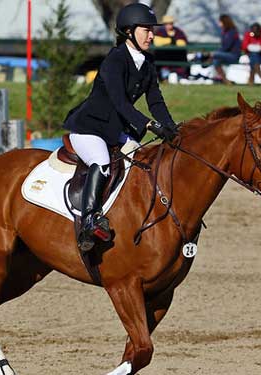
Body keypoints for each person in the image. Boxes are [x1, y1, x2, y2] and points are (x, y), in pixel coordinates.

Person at [62, 2, 179, 252]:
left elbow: (155, 99)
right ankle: (90, 220)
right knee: (102, 163)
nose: (151, 35)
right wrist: (149, 124)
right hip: (89, 129)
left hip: (115, 130)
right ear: (128, 32)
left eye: (152, 30)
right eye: (146, 30)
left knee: (142, 163)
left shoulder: (147, 62)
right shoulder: (114, 60)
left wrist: (170, 128)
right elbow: (120, 103)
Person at [153, 15, 189, 81]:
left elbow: (183, 43)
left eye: (170, 23)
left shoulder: (178, 32)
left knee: (179, 76)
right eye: (167, 24)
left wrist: (168, 41)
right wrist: (171, 40)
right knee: (163, 73)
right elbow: (157, 42)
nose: (169, 25)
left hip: (177, 60)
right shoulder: (160, 31)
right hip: (164, 61)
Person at [211, 14, 241, 83]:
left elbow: (226, 46)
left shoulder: (232, 32)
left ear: (224, 22)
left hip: (233, 55)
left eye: (220, 22)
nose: (219, 24)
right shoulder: (225, 32)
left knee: (213, 55)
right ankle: (225, 80)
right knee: (216, 61)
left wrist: (215, 54)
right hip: (227, 54)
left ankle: (223, 79)